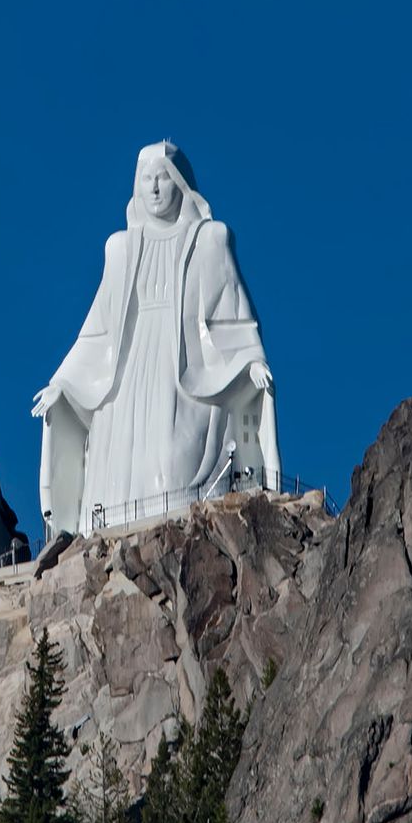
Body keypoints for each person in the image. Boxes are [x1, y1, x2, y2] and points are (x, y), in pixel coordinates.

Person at [34, 141, 278, 536]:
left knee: (174, 458)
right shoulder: (120, 247)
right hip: (127, 373)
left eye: (162, 177)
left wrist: (251, 360)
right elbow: (99, 331)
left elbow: (232, 313)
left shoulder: (211, 239)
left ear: (180, 183)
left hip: (185, 369)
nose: (154, 188)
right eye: (145, 179)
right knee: (121, 463)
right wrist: (61, 383)